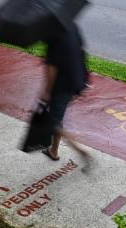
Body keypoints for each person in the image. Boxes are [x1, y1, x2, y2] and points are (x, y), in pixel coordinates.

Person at [39, 20, 90, 164]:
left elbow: (52, 68)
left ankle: (80, 149)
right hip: (76, 80)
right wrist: (82, 79)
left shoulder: (53, 35)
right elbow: (82, 51)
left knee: (53, 123)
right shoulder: (72, 25)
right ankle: (53, 151)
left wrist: (47, 91)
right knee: (58, 117)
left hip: (62, 85)